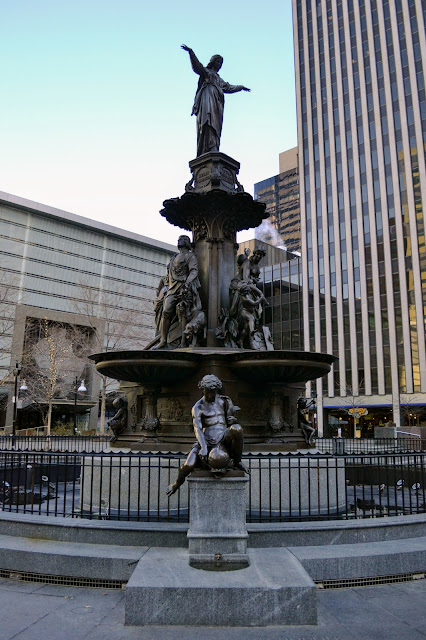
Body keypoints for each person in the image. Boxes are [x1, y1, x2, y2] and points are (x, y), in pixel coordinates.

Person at [166, 374, 249, 496]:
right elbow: (197, 429)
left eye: (213, 392)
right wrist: (203, 447)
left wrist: (232, 415)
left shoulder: (223, 401)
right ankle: (177, 483)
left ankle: (237, 461)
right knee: (188, 465)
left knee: (237, 429)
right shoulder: (198, 407)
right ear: (202, 390)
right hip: (206, 440)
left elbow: (230, 421)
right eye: (208, 392)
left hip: (223, 438)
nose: (210, 395)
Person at [181, 45, 250, 156]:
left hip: (217, 103)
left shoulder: (219, 79)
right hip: (207, 98)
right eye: (218, 62)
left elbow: (229, 87)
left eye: (221, 63)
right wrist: (191, 53)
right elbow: (197, 67)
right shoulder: (206, 72)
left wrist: (241, 87)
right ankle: (206, 147)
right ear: (213, 62)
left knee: (215, 124)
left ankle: (213, 145)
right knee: (207, 121)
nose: (219, 65)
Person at [156, 235, 201, 349]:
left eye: (182, 239)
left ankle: (183, 341)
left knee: (183, 314)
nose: (179, 240)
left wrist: (187, 284)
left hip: (183, 287)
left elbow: (193, 271)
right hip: (172, 288)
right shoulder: (174, 257)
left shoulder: (190, 256)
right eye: (179, 239)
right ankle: (163, 340)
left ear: (186, 242)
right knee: (166, 312)